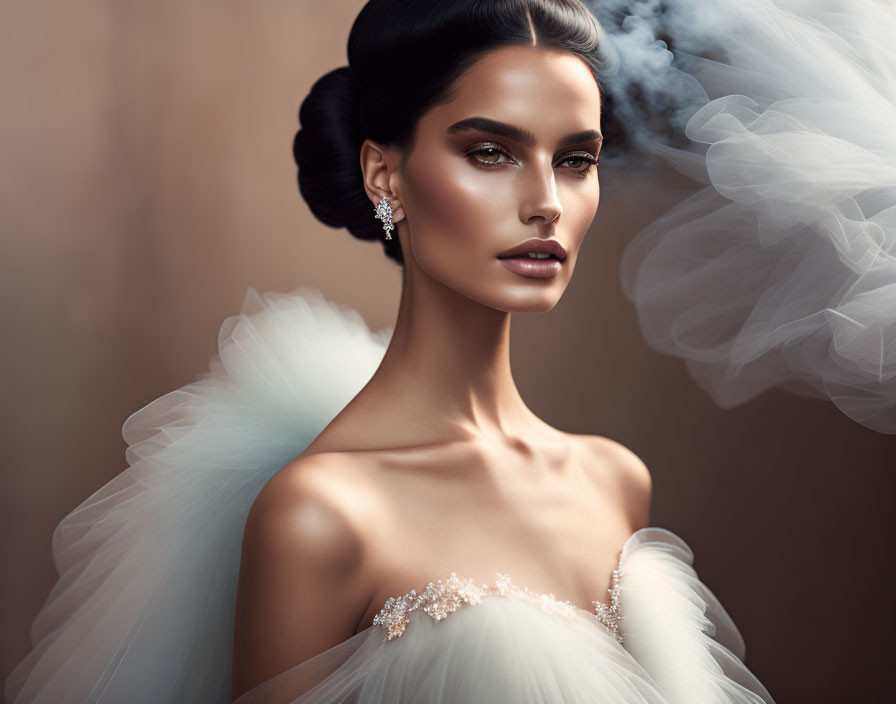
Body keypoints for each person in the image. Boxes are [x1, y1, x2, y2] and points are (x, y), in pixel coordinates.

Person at [4, 1, 776, 703]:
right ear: (385, 173)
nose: (546, 200)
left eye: (575, 160)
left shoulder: (613, 478)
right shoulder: (322, 514)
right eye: (491, 152)